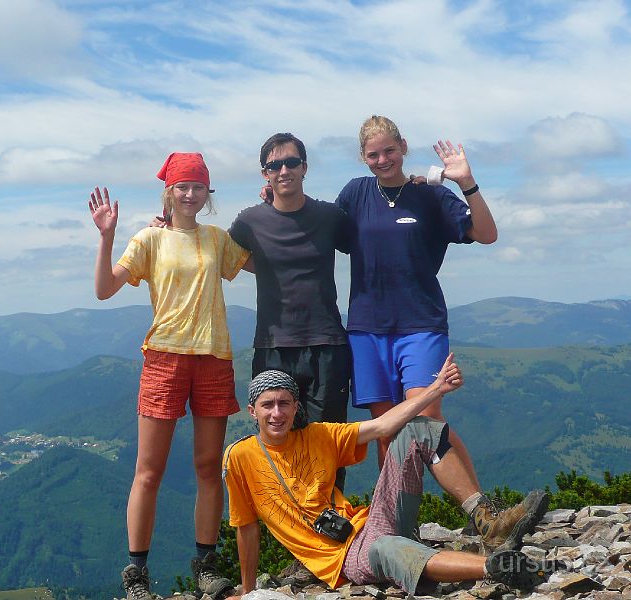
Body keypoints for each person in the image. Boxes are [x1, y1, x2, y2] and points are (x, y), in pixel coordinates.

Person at [222, 364, 560, 597]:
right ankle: (497, 567)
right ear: (252, 411)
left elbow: (383, 427)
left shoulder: (319, 435)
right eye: (268, 405)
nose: (277, 413)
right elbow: (246, 526)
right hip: (344, 559)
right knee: (386, 548)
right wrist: (248, 590)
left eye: (284, 404)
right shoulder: (239, 458)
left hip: (370, 521)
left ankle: (487, 521)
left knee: (418, 429)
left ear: (297, 407)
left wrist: (436, 389)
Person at [88, 152, 250, 600]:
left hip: (214, 357)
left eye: (199, 187)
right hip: (164, 357)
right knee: (148, 471)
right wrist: (107, 236)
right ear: (169, 192)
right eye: (183, 186)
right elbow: (103, 290)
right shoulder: (149, 240)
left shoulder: (218, 240)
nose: (191, 194)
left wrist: (272, 206)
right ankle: (136, 575)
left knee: (206, 467)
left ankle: (206, 567)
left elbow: (265, 259)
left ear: (207, 194)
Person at [335, 116, 497, 498]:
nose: (383, 159)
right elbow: (314, 226)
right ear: (363, 157)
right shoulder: (354, 194)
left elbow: (487, 234)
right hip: (366, 328)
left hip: (420, 324)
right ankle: (394, 526)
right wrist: (273, 199)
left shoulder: (431, 195)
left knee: (426, 420)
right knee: (386, 429)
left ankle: (482, 512)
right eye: (373, 154)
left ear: (403, 147)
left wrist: (466, 183)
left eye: (389, 150)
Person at [227, 132, 352, 480]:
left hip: (326, 346)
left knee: (328, 444)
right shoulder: (249, 221)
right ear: (265, 173)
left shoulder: (330, 216)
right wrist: (167, 229)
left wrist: (413, 187)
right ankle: (288, 530)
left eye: (291, 162)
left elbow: (370, 239)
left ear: (304, 167)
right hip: (273, 348)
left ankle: (331, 527)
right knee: (277, 447)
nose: (284, 170)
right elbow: (220, 255)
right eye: (274, 165)